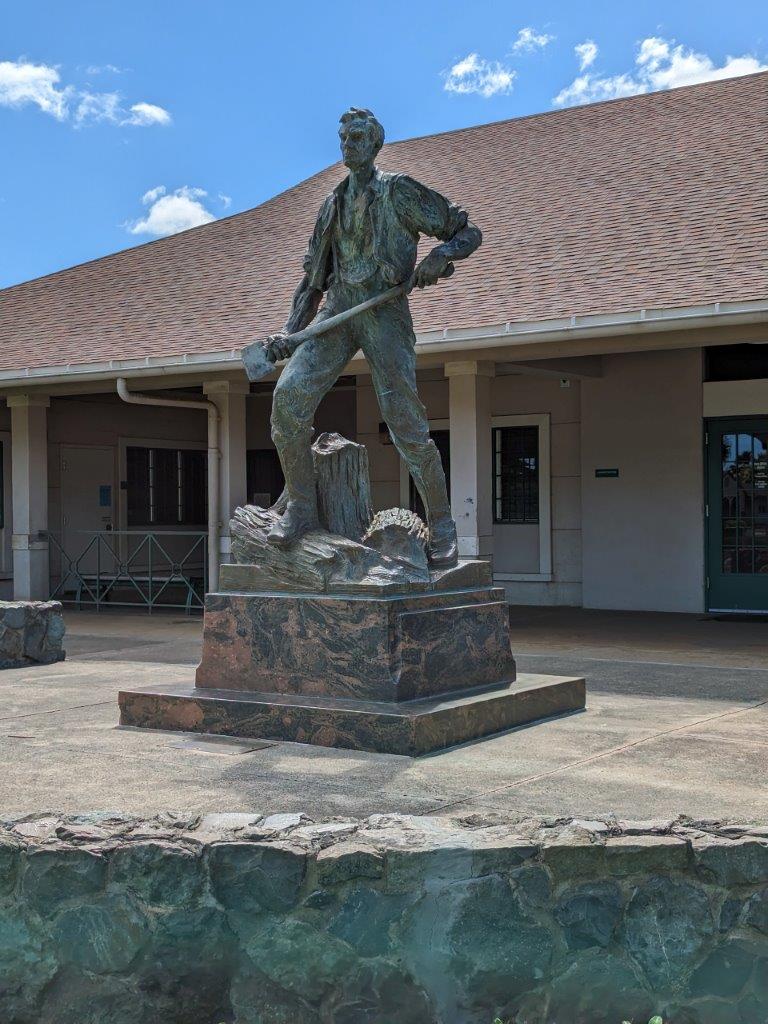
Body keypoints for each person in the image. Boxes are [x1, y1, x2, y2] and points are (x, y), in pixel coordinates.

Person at [265, 107, 482, 567]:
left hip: (384, 311)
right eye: (344, 137)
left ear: (375, 143)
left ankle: (442, 524)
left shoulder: (399, 191)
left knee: (406, 423)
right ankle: (301, 508)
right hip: (339, 310)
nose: (349, 144)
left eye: (358, 136)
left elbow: (468, 230)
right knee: (287, 399)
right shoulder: (332, 205)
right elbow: (312, 283)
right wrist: (290, 332)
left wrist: (442, 255)